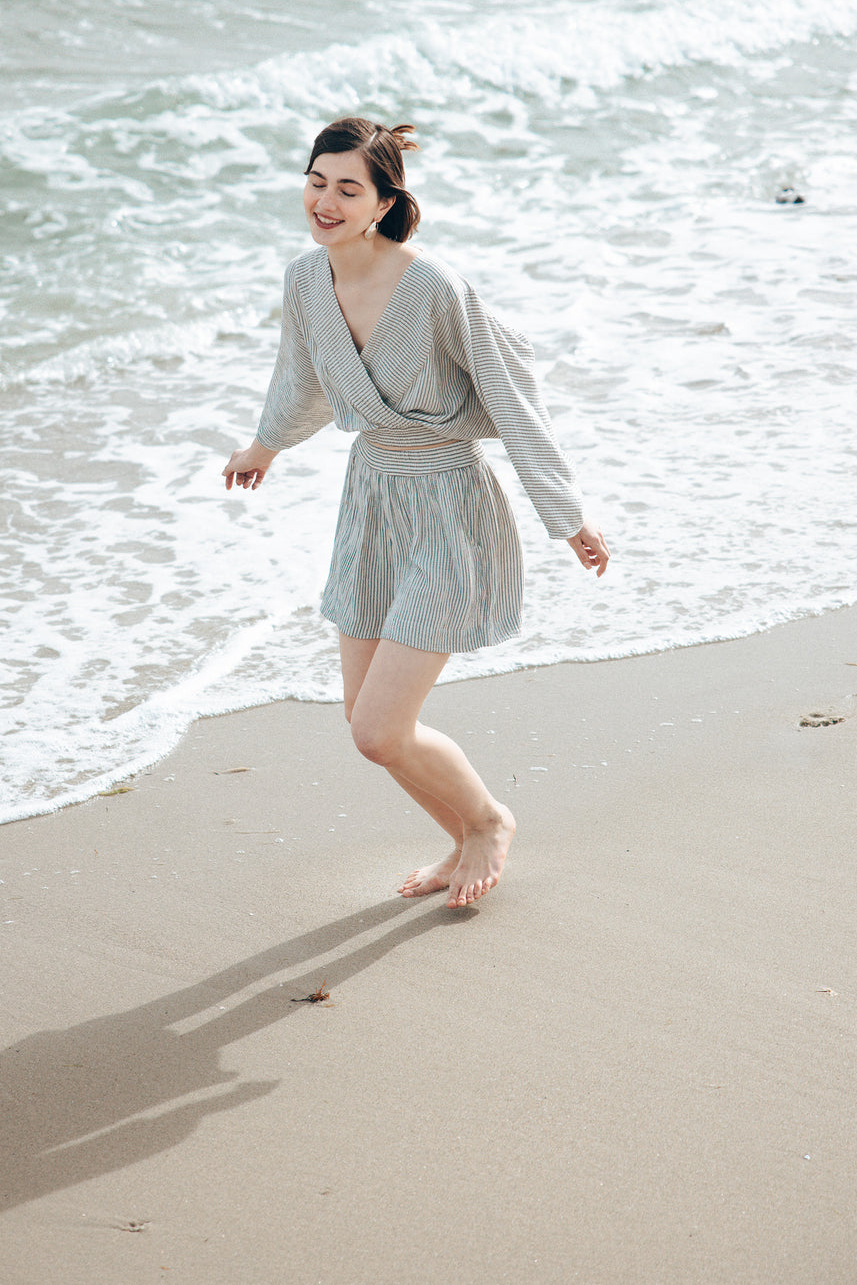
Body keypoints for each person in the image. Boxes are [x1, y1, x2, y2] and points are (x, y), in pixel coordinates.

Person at [222, 117, 609, 908]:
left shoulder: (431, 285)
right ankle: (462, 840)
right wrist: (265, 445)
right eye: (316, 181)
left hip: (447, 509)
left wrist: (565, 513)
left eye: (347, 188)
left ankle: (490, 822)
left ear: (384, 201)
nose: (325, 201)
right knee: (369, 732)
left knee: (379, 729)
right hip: (369, 505)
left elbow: (509, 390)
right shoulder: (304, 280)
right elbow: (302, 381)